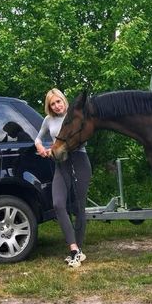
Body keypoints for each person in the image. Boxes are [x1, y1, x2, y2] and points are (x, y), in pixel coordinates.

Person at [34, 88, 93, 268]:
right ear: (49, 106)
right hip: (61, 164)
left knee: (79, 206)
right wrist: (41, 148)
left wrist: (58, 147)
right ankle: (73, 248)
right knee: (58, 204)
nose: (57, 106)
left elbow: (84, 138)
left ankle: (78, 250)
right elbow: (37, 138)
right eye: (52, 103)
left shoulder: (75, 116)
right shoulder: (48, 120)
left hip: (79, 161)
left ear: (63, 100)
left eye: (58, 101)